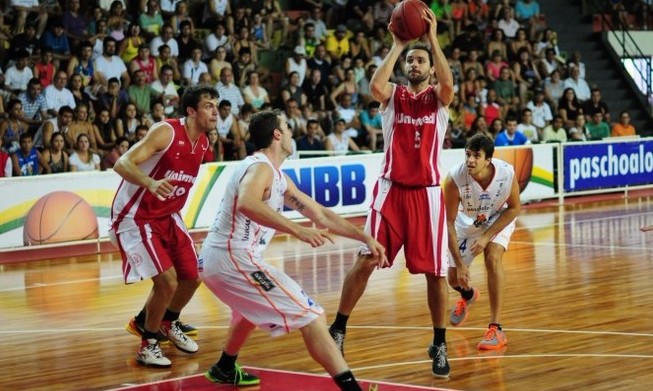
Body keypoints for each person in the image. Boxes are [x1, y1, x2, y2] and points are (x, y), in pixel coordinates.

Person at [198, 110, 386, 390]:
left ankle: (225, 366)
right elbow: (247, 202)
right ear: (276, 134)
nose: (291, 132)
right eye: (286, 127)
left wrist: (364, 238)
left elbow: (320, 215)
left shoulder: (278, 178)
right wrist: (297, 230)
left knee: (248, 311)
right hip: (232, 257)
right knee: (312, 315)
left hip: (220, 259)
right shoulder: (260, 167)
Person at [328, 8, 456, 378]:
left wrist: (432, 40)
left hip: (428, 194)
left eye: (421, 61)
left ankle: (439, 343)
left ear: (430, 68)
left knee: (435, 273)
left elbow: (449, 86)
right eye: (411, 61)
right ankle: (338, 327)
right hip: (390, 192)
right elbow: (374, 87)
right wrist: (398, 44)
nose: (414, 64)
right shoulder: (394, 96)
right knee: (367, 259)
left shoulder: (438, 100)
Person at [109, 85, 219, 368]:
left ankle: (166, 322)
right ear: (192, 111)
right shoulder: (166, 132)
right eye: (209, 105)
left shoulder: (205, 143)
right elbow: (122, 164)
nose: (215, 111)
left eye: (216, 105)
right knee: (167, 281)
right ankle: (148, 345)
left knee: (193, 276)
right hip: (136, 216)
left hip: (168, 216)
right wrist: (150, 183)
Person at [443, 133, 520, 350]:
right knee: (453, 279)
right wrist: (459, 265)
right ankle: (468, 295)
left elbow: (514, 208)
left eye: (477, 156)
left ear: (488, 160)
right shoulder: (454, 178)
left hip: (497, 218)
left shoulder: (506, 173)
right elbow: (448, 223)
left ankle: (496, 329)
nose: (470, 160)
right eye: (467, 154)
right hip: (465, 224)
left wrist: (487, 237)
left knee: (493, 258)